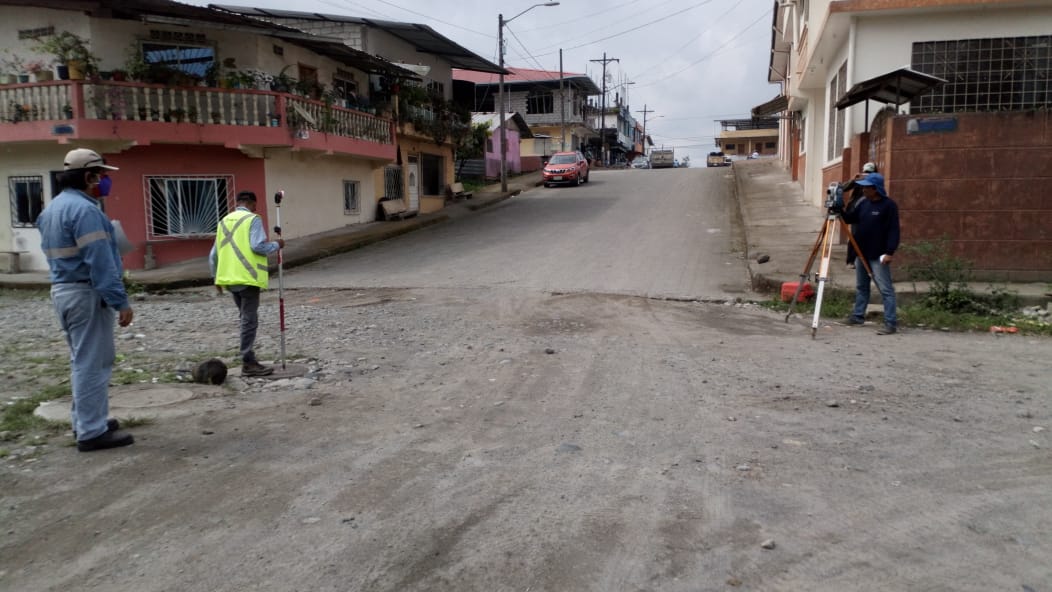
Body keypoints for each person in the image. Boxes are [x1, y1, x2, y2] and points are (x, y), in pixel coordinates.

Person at [37, 148, 135, 451]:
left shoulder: (52, 209)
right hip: (85, 293)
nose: (105, 181)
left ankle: (87, 422)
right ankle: (92, 432)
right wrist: (120, 301)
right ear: (89, 176)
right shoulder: (86, 212)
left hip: (64, 290)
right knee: (93, 363)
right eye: (102, 175)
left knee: (82, 360)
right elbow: (101, 263)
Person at [209, 191, 284, 376]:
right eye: (255, 205)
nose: (256, 208)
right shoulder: (253, 219)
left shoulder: (224, 221)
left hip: (229, 278)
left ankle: (247, 358)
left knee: (244, 318)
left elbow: (213, 254)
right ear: (251, 203)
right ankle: (248, 361)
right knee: (249, 320)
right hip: (247, 277)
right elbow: (257, 246)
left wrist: (215, 277)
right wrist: (277, 245)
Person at [841, 172, 900, 335]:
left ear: (875, 189)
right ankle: (858, 316)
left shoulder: (889, 206)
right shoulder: (863, 203)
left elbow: (894, 230)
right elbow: (850, 219)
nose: (864, 190)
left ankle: (890, 323)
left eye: (866, 187)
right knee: (862, 286)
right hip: (861, 253)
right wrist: (839, 209)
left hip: (878, 254)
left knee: (885, 289)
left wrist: (889, 252)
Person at [842, 162, 877, 268]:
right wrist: (853, 179)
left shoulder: (876, 182)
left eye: (870, 173)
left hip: (870, 212)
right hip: (856, 212)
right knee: (854, 236)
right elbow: (843, 188)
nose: (867, 175)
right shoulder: (859, 181)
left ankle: (865, 259)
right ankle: (851, 260)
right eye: (865, 172)